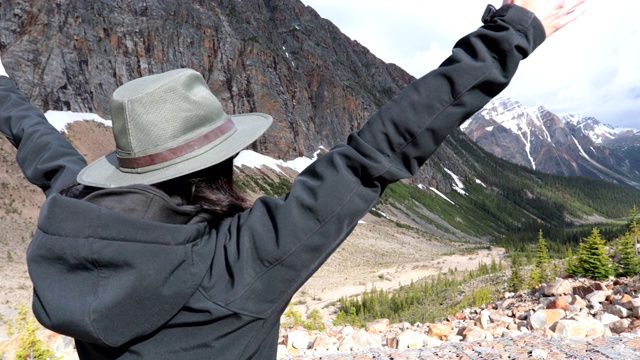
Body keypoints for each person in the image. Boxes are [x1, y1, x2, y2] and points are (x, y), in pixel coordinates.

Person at [0, 0, 585, 358]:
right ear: (218, 164)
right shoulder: (239, 260)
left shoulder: (72, 214)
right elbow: (373, 154)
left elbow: (42, 146)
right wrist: (512, 33)